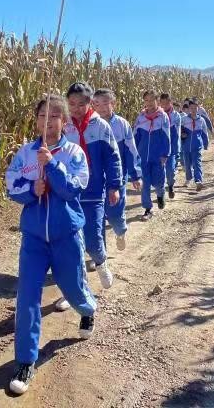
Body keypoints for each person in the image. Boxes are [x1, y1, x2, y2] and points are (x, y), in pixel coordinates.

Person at [5, 95, 97, 395]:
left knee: (73, 287)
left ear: (65, 121)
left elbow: (73, 189)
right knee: (27, 298)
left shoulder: (73, 153)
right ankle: (25, 361)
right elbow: (11, 185)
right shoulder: (24, 153)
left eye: (55, 115)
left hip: (66, 236)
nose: (48, 120)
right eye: (43, 114)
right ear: (36, 119)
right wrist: (32, 189)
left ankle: (87, 308)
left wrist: (53, 166)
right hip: (33, 239)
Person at [63, 82, 122, 289]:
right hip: (69, 193)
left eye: (81, 104)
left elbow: (112, 158)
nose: (76, 109)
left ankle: (101, 261)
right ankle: (76, 287)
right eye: (71, 104)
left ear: (90, 103)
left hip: (95, 192)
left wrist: (114, 186)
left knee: (93, 239)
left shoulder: (100, 126)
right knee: (71, 243)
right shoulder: (64, 125)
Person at [92, 88, 141, 250]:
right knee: (96, 217)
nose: (102, 108)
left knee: (114, 214)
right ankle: (100, 254)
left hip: (117, 177)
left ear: (113, 104)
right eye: (97, 104)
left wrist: (135, 174)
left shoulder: (121, 124)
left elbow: (131, 150)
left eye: (106, 103)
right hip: (95, 178)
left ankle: (120, 231)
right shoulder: (91, 124)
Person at [133, 91, 171, 220]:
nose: (148, 103)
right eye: (146, 101)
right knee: (145, 183)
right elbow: (135, 137)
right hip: (142, 157)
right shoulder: (141, 118)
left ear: (157, 100)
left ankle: (160, 194)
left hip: (157, 156)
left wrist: (165, 154)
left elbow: (167, 136)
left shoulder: (163, 117)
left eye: (151, 100)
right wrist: (134, 154)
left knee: (158, 182)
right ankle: (147, 209)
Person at [181, 100, 210, 191]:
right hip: (186, 146)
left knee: (197, 164)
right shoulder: (185, 119)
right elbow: (180, 130)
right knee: (187, 164)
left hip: (197, 146)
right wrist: (182, 135)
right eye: (191, 108)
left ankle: (198, 181)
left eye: (195, 108)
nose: (193, 110)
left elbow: (205, 133)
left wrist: (206, 143)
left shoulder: (201, 120)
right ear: (189, 109)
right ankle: (188, 179)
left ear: (198, 108)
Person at [159, 93, 182, 200]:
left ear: (170, 102)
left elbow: (176, 133)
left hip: (172, 148)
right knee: (160, 171)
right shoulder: (157, 115)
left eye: (166, 103)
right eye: (162, 103)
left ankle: (171, 185)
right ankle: (162, 192)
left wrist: (176, 147)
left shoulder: (176, 116)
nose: (164, 105)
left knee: (170, 170)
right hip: (160, 149)